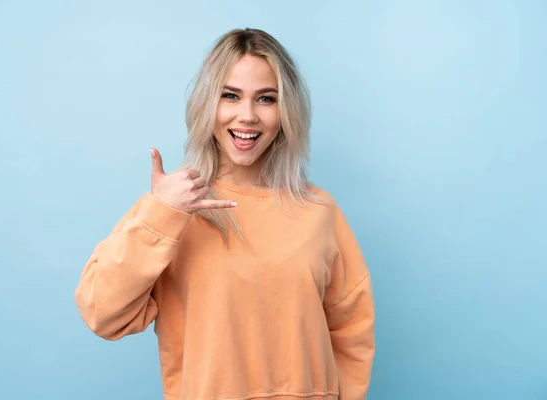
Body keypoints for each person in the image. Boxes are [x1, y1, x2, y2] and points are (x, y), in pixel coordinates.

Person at [74, 28, 375, 400]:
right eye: (230, 95)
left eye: (266, 98)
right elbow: (102, 313)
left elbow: (352, 332)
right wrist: (161, 214)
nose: (247, 116)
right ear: (207, 104)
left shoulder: (318, 211)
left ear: (286, 112)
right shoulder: (171, 208)